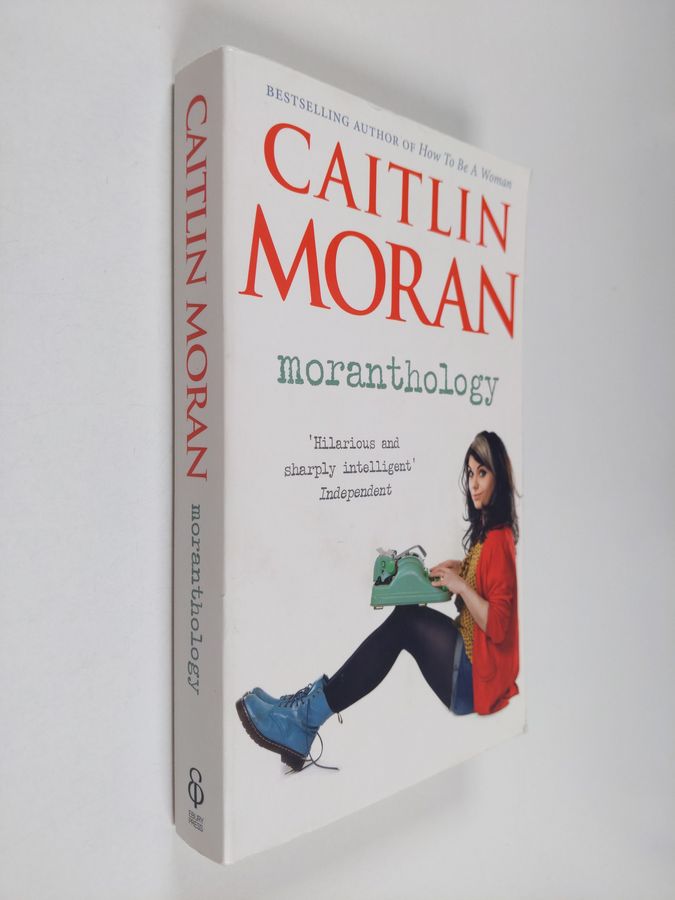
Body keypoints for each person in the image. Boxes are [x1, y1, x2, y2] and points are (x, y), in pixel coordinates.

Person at [236, 430, 520, 771]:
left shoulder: (499, 540)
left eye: (482, 473)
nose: (473, 484)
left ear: (498, 475)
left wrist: (460, 584)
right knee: (405, 617)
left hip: (478, 683)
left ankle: (305, 719)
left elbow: (498, 625)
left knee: (405, 623)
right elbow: (491, 586)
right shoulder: (490, 534)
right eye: (470, 473)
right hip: (481, 670)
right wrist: (463, 569)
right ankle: (304, 715)